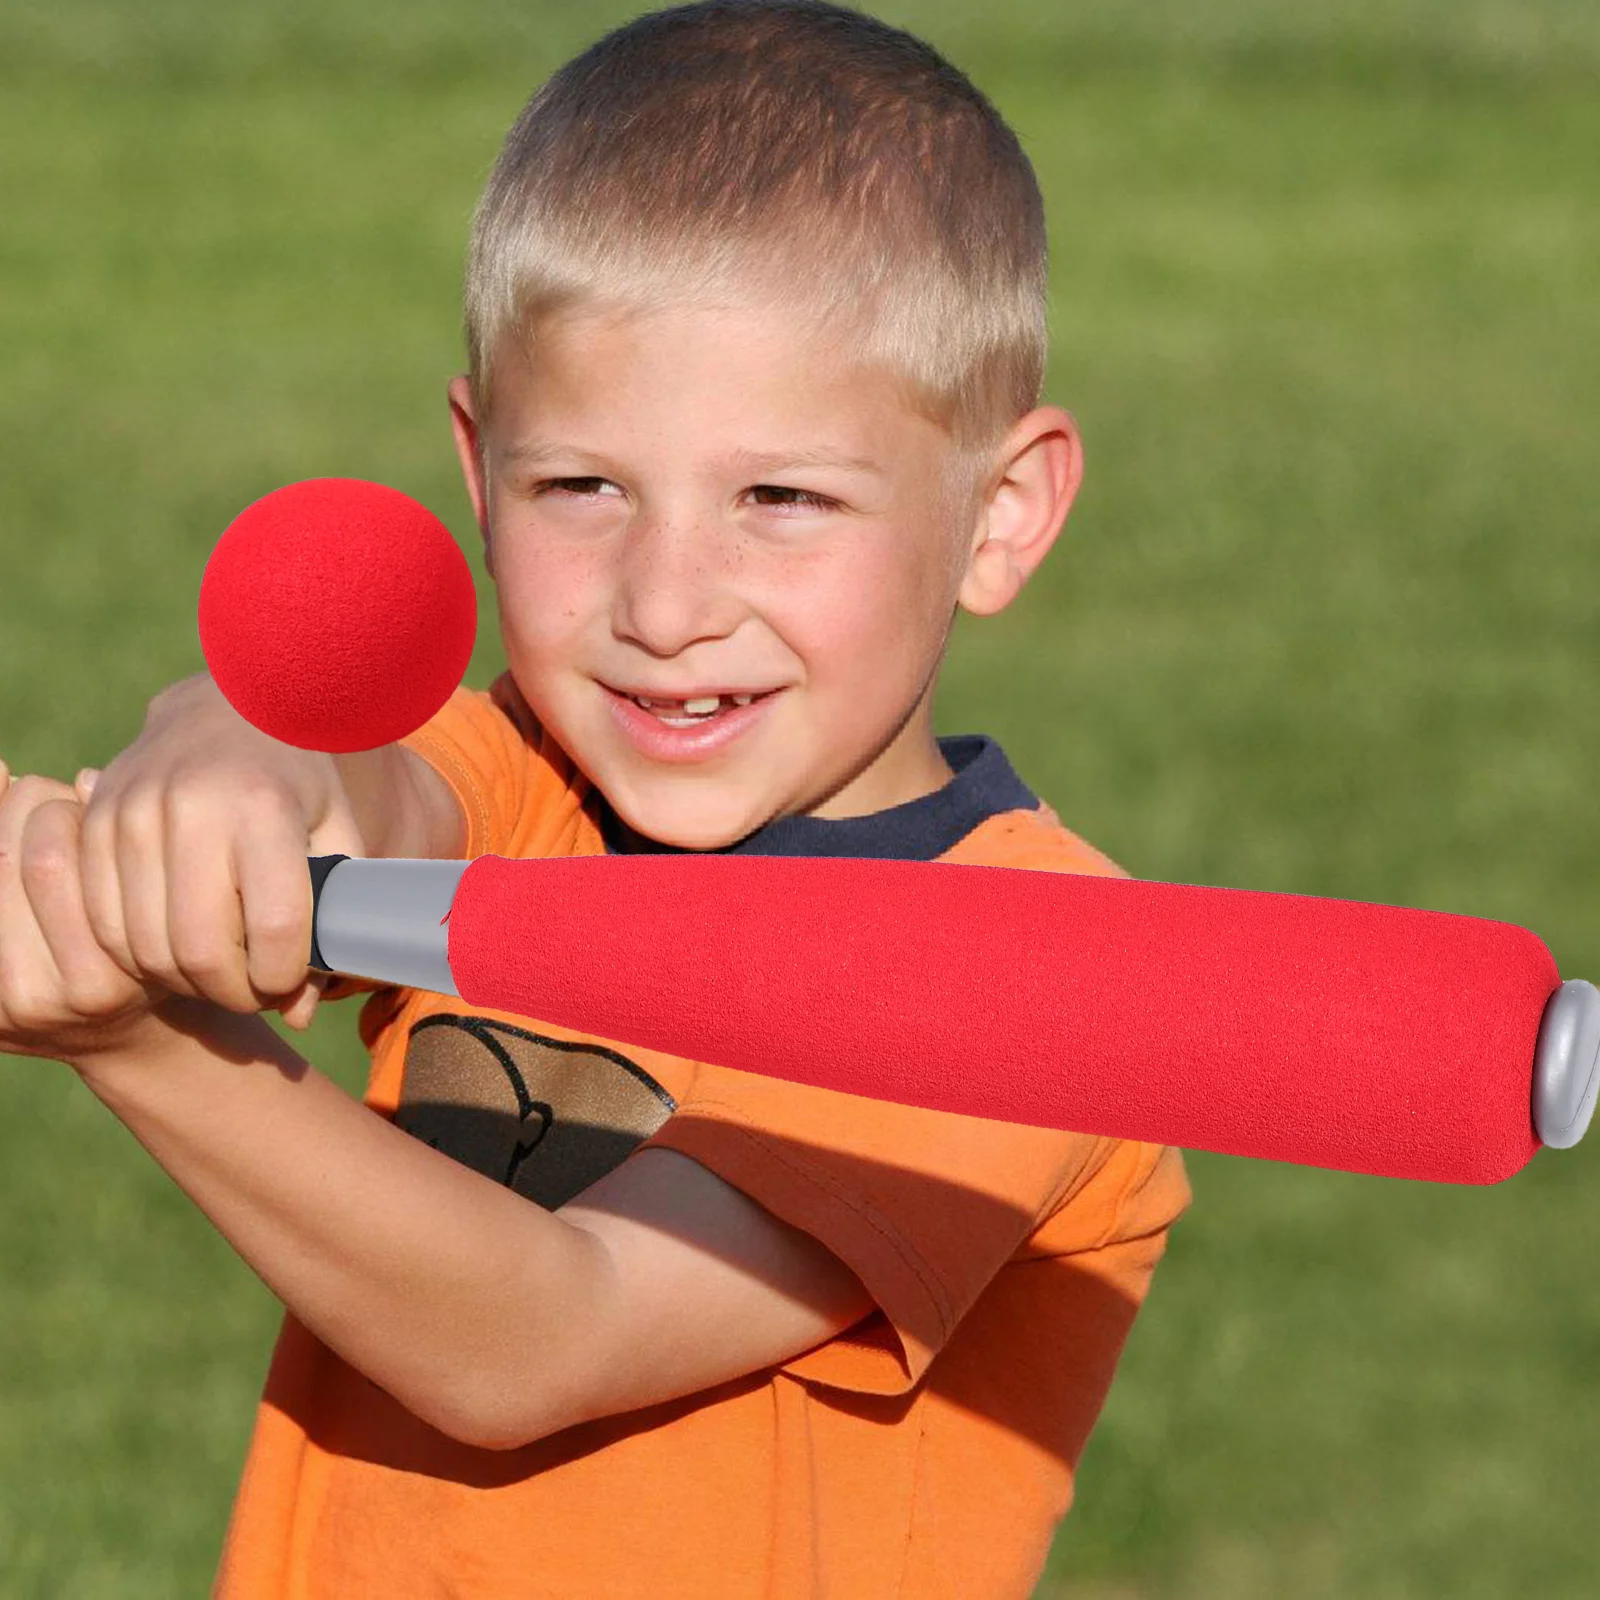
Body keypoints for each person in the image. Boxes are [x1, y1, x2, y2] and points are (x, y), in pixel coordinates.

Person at [0, 2, 1190, 1593]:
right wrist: (219, 755)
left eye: (781, 499)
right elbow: (357, 789)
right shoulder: (535, 771)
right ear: (479, 469)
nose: (665, 601)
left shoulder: (1030, 970)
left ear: (1001, 514)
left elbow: (546, 1339)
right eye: (583, 489)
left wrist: (140, 1043)